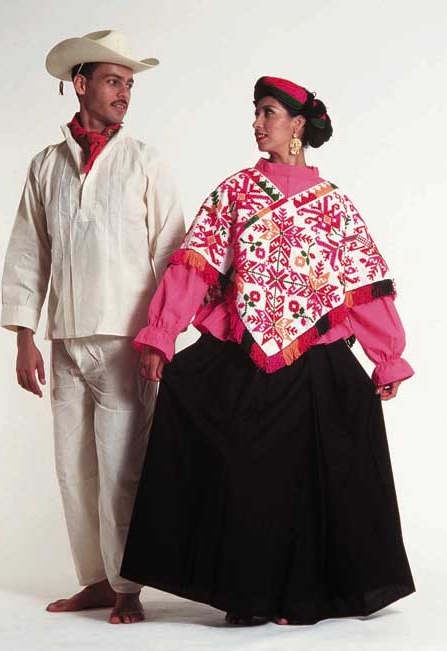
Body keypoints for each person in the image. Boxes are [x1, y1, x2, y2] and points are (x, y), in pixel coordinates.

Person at [120, 75, 415, 625]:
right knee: (253, 473)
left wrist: (387, 356)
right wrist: (162, 334)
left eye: (269, 113)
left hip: (317, 359)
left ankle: (304, 596)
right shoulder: (234, 191)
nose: (258, 124)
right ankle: (249, 593)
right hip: (246, 354)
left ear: (298, 125)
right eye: (255, 113)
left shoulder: (335, 206)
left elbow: (362, 282)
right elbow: (197, 264)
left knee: (310, 473)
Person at [0, 30, 185, 624]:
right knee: (72, 466)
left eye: (129, 84)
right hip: (65, 337)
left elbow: (172, 256)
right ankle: (98, 581)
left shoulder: (145, 160)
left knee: (122, 466)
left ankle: (129, 585)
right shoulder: (47, 165)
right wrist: (25, 334)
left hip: (127, 340)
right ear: (80, 84)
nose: (124, 93)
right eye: (113, 81)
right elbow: (30, 251)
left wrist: (160, 335)